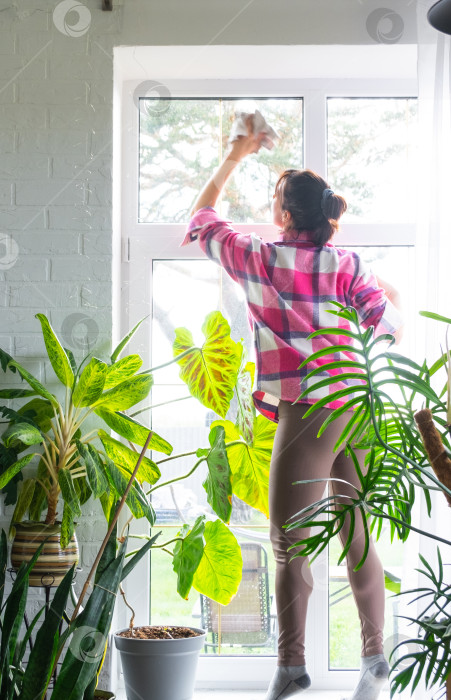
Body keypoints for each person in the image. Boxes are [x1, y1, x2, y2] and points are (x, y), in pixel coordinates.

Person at [182, 118, 403, 700]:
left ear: (283, 215)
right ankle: (376, 663)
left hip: (306, 409)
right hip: (359, 406)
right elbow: (387, 324)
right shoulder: (350, 264)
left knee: (289, 545)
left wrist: (234, 153)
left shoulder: (259, 259)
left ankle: (291, 669)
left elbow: (201, 220)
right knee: (357, 533)